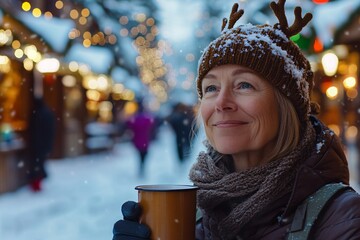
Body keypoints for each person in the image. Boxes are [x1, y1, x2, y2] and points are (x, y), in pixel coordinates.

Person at [112, 0, 360, 239]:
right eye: (210, 88)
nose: (221, 102)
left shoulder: (343, 219)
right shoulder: (197, 215)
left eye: (244, 85)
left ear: (287, 106)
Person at [27, 97, 56, 192]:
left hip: (38, 145)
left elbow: (36, 131)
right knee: (39, 164)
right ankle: (37, 183)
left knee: (37, 165)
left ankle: (36, 184)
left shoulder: (38, 114)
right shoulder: (47, 113)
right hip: (44, 144)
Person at [125, 101, 156, 176]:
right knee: (144, 155)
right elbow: (153, 124)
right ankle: (142, 166)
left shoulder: (134, 119)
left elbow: (128, 125)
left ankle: (141, 167)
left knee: (139, 155)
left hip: (137, 140)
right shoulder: (147, 119)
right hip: (145, 140)